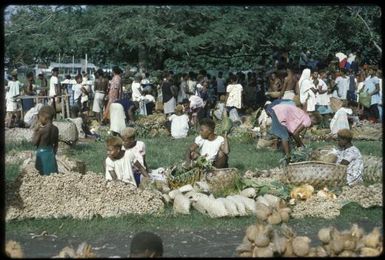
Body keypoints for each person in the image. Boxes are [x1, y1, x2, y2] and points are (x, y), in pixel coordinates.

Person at [32, 105, 59, 176]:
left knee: (41, 175)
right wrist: (54, 153)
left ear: (44, 117)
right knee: (52, 174)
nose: (39, 119)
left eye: (39, 117)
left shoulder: (42, 130)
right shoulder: (56, 129)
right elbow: (56, 144)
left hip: (41, 155)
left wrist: (35, 131)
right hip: (51, 153)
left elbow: (34, 143)